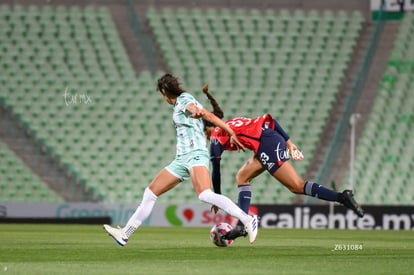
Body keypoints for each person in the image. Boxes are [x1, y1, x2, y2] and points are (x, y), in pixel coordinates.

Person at [103, 74, 258, 246]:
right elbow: (207, 115)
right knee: (150, 193)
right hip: (181, 159)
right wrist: (223, 128)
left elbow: (197, 110)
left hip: (195, 154)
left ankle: (247, 219)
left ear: (164, 91)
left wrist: (225, 129)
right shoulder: (181, 102)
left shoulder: (185, 99)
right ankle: (125, 233)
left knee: (205, 194)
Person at [201, 86, 364, 240]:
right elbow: (269, 120)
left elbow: (216, 171)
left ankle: (342, 197)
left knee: (296, 186)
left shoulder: (216, 136)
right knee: (242, 176)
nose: (205, 137)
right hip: (267, 141)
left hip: (267, 144)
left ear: (207, 128)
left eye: (203, 133)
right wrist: (288, 142)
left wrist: (216, 197)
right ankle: (243, 224)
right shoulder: (230, 124)